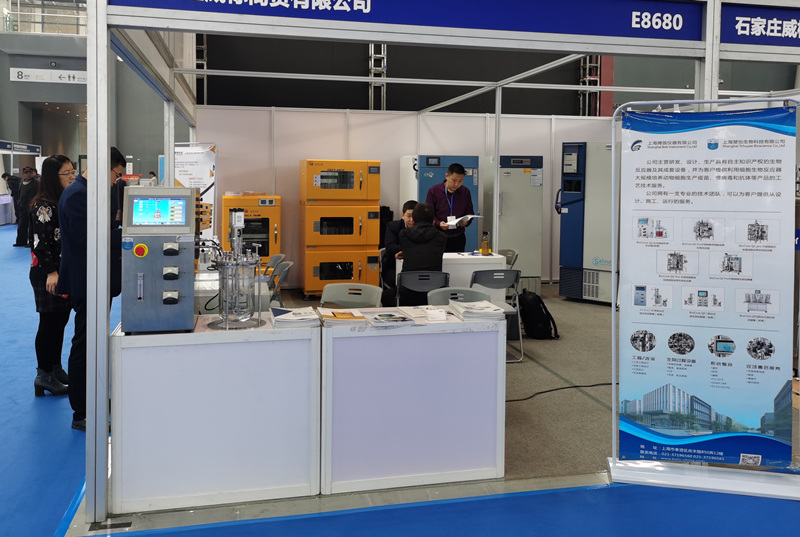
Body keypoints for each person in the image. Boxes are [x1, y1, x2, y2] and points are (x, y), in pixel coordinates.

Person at [58, 147, 125, 431]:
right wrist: (126, 235)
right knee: (85, 345)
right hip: (87, 283)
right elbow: (88, 240)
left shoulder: (90, 193)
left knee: (94, 343)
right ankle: (82, 412)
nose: (115, 181)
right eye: (115, 174)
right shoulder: (77, 195)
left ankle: (94, 400)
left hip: (98, 280)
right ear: (102, 167)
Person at [29, 155, 75, 397]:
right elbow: (40, 243)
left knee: (60, 321)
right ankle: (43, 375)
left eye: (73, 171)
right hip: (48, 273)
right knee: (48, 323)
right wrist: (52, 272)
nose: (72, 176)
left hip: (62, 270)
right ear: (52, 176)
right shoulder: (44, 206)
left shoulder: (61, 200)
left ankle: (55, 368)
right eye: (66, 173)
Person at [396, 202, 447, 306]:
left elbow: (414, 250)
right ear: (433, 222)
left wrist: (406, 253)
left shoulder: (403, 234)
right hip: (434, 292)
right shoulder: (442, 237)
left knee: (386, 296)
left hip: (407, 292)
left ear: (413, 221)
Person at [425, 162, 475, 253]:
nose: (457, 184)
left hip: (458, 237)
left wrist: (466, 222)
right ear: (447, 176)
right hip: (438, 236)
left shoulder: (465, 192)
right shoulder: (434, 191)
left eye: (460, 181)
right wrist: (438, 223)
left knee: (457, 261)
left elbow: (470, 212)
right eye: (454, 180)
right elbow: (428, 215)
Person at [381, 200, 417, 306]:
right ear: (402, 215)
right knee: (395, 281)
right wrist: (410, 250)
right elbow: (390, 247)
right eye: (408, 216)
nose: (411, 220)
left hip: (414, 266)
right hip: (393, 265)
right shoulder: (393, 226)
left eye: (414, 216)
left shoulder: (421, 228)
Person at [15, 166, 39, 247]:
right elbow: (19, 194)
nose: (28, 174)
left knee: (32, 225)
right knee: (21, 224)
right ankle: (21, 241)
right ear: (23, 174)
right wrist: (19, 202)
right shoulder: (21, 182)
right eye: (26, 173)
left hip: (31, 207)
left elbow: (38, 194)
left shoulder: (36, 183)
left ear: (32, 173)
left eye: (30, 172)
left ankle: (31, 242)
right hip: (22, 207)